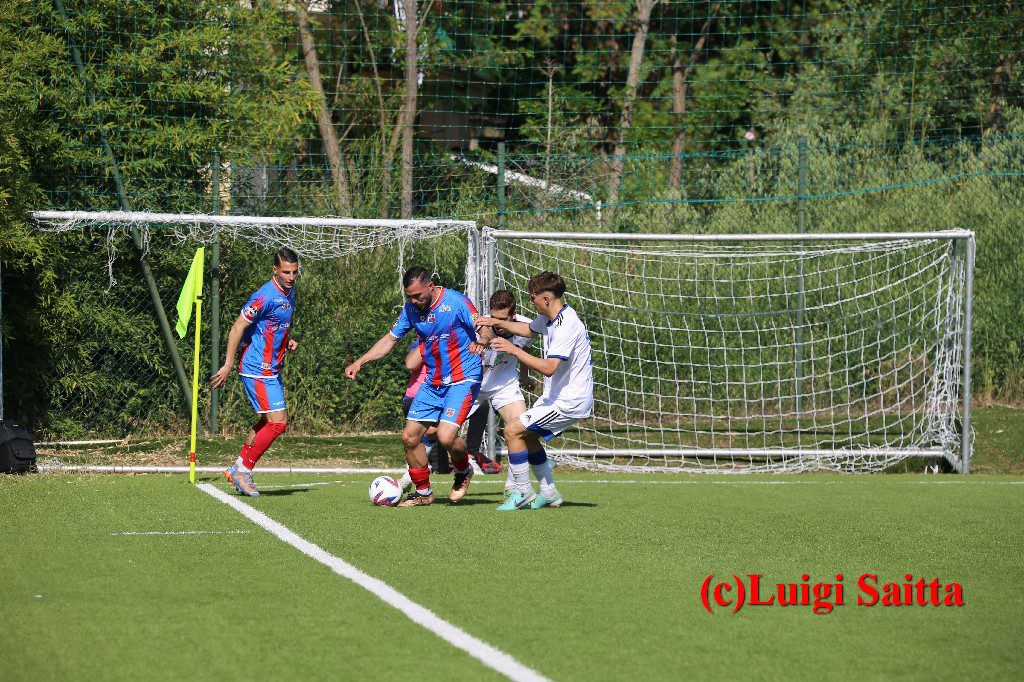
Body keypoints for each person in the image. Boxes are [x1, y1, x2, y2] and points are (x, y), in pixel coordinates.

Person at [345, 267, 483, 507]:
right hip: (433, 382)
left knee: (446, 436)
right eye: (409, 296)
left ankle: (463, 471)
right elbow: (390, 340)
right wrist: (360, 361)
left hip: (463, 378)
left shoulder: (457, 302)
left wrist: (483, 340)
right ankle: (424, 493)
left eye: (418, 295)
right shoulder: (411, 310)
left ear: (431, 286)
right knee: (409, 437)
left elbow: (483, 326)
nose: (414, 301)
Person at [476, 271, 593, 510]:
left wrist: (514, 350)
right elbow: (528, 330)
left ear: (546, 299)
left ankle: (522, 491)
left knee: (512, 430)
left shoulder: (566, 325)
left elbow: (549, 368)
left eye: (533, 298)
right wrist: (496, 322)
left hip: (568, 401)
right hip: (554, 397)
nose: (531, 302)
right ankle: (549, 493)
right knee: (527, 438)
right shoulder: (551, 319)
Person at [211, 247, 300, 497]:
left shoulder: (289, 292)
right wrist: (228, 364)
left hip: (272, 368)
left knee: (265, 421)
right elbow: (238, 327)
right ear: (275, 270)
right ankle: (244, 470)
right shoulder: (264, 296)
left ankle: (238, 466)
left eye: (294, 272)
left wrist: (287, 340)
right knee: (278, 423)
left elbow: (274, 325)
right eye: (286, 272)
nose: (291, 277)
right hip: (257, 368)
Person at [464, 290, 534, 484]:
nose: (496, 323)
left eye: (501, 319)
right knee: (437, 433)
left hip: (505, 384)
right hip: (473, 384)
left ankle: (515, 488)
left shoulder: (526, 327)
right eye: (493, 318)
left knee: (521, 429)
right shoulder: (479, 327)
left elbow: (525, 347)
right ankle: (413, 477)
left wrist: (524, 375)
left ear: (513, 314)